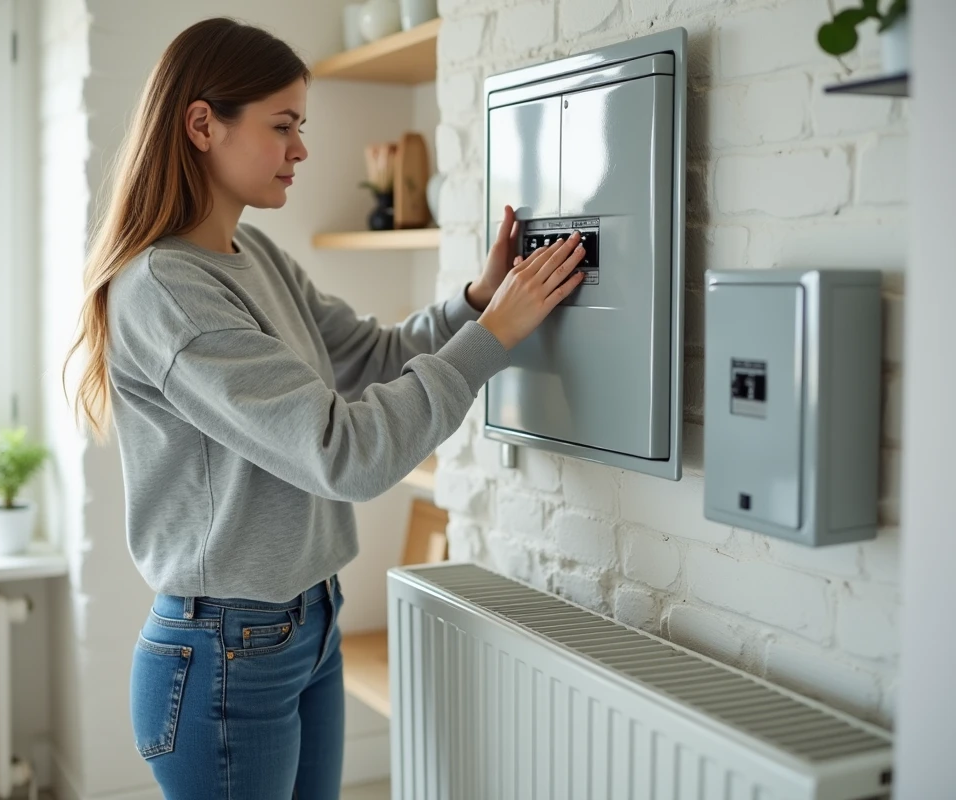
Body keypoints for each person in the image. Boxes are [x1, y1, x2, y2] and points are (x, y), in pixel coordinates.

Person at [63, 16, 585, 800]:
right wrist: (494, 339)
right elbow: (347, 454)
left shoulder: (256, 256)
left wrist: (478, 303)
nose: (302, 149)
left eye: (299, 126)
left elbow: (373, 356)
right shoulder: (165, 288)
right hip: (225, 652)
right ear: (203, 124)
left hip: (305, 623)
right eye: (282, 127)